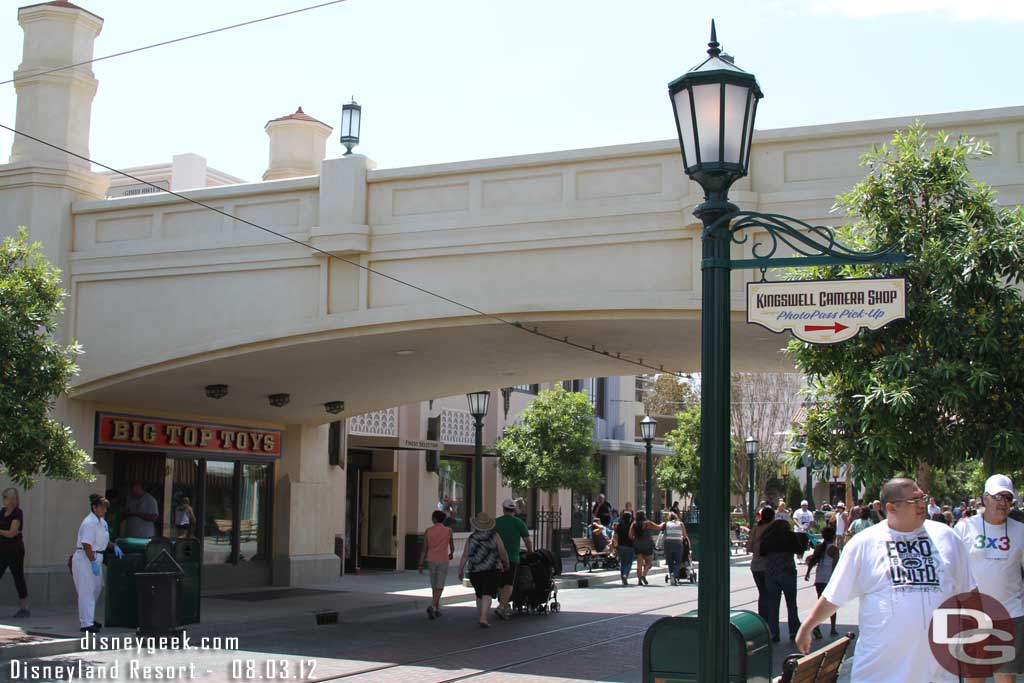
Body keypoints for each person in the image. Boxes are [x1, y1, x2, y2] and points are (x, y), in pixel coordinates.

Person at [795, 478, 975, 682]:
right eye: (914, 500)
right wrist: (807, 626)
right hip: (879, 673)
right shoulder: (864, 543)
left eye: (923, 498)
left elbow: (969, 593)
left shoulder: (948, 538)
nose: (922, 504)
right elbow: (835, 595)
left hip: (938, 673)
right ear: (891, 507)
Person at [955, 474, 1024, 683]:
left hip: (1011, 614)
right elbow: (953, 570)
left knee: (1006, 677)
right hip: (972, 616)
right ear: (985, 499)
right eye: (997, 497)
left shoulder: (1020, 531)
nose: (1002, 503)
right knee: (975, 676)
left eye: (1007, 498)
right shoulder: (964, 528)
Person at [73, 494, 124, 632]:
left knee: (96, 588)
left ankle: (88, 617)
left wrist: (114, 546)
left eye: (106, 508)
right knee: (87, 591)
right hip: (86, 558)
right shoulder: (89, 523)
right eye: (102, 507)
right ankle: (86, 623)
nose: (104, 510)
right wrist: (92, 562)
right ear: (94, 508)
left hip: (97, 556)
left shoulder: (102, 523)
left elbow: (103, 541)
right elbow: (87, 544)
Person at [759, 509, 808, 642]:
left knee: (773, 604)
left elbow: (761, 552)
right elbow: (799, 550)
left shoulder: (767, 537)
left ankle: (774, 632)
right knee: (791, 603)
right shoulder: (790, 536)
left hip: (771, 572)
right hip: (788, 572)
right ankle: (793, 631)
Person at [458, 512, 509, 628]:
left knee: (479, 594)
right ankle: (483, 617)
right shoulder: (495, 536)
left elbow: (465, 555)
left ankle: (481, 615)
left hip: (475, 571)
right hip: (492, 569)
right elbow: (502, 552)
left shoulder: (471, 538)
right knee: (487, 593)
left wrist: (460, 569)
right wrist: (506, 563)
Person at [495, 498, 532, 620]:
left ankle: (505, 606)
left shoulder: (496, 522)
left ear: (503, 509)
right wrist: (530, 552)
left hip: (497, 557)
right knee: (509, 583)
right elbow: (527, 541)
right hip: (512, 557)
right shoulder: (519, 523)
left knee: (500, 582)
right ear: (514, 510)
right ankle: (501, 606)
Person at [803, 526, 839, 638]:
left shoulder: (819, 547)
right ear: (833, 536)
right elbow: (835, 566)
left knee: (820, 603)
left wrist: (808, 573)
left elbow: (813, 561)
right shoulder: (834, 549)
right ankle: (832, 628)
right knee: (832, 604)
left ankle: (816, 626)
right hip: (829, 579)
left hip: (819, 579)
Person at [418, 510, 455, 619]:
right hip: (443, 559)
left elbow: (424, 549)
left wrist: (420, 563)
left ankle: (436, 608)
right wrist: (451, 553)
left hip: (431, 559)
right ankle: (433, 605)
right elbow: (451, 545)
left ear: (434, 519)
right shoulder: (448, 530)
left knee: (434, 584)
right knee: (440, 584)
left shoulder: (428, 531)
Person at [0, 488, 29, 617]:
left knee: (18, 577)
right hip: (2, 549)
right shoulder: (2, 512)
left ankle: (24, 608)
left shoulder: (18, 513)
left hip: (14, 550)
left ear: (11, 499)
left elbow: (12, 533)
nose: (3, 500)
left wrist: (1, 531)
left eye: (5, 497)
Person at [746, 506, 775, 623]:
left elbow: (749, 547)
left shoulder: (756, 529)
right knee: (770, 594)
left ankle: (762, 619)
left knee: (762, 593)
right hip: (769, 566)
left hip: (756, 566)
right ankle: (770, 620)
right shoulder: (773, 528)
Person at [630, 511, 658, 586]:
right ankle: (644, 575)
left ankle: (639, 580)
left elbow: (630, 535)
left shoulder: (634, 524)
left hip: (637, 545)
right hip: (647, 545)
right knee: (649, 562)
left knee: (639, 564)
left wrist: (635, 539)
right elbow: (658, 527)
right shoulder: (648, 523)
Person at [661, 512, 689, 585]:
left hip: (668, 544)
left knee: (670, 562)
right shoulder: (681, 523)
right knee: (678, 561)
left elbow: (664, 533)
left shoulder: (666, 524)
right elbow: (685, 535)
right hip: (677, 544)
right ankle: (674, 574)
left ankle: (671, 575)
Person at [611, 510, 635, 586]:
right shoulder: (631, 525)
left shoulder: (619, 525)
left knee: (623, 563)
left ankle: (622, 578)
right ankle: (625, 575)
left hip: (620, 546)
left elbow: (615, 535)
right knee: (629, 562)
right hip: (630, 546)